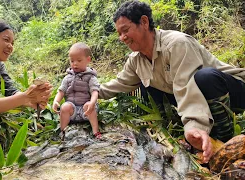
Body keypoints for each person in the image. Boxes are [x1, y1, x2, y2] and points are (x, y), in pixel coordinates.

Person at [98, 0, 245, 163]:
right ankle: (187, 132)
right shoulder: (136, 60)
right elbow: (118, 84)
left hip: (232, 91)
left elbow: (187, 88)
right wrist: (88, 92)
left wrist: (194, 126)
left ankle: (224, 139)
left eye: (125, 30)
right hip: (196, 96)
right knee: (146, 84)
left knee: (205, 77)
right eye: (119, 33)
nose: (122, 38)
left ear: (144, 22)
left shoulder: (177, 44)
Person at [52, 42, 101, 140]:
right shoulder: (67, 77)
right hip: (72, 111)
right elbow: (61, 91)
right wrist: (56, 101)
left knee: (89, 106)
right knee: (65, 106)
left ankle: (96, 131)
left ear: (88, 60)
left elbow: (95, 91)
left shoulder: (90, 76)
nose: (75, 64)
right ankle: (63, 131)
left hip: (86, 110)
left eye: (79, 60)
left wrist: (92, 102)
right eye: (72, 61)